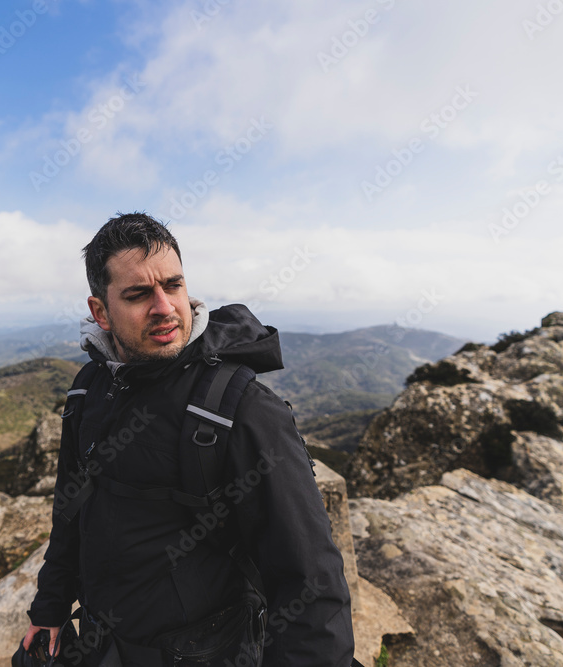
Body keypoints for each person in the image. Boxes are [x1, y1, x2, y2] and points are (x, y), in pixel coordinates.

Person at [20, 212, 355, 666]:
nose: (164, 307)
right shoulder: (89, 388)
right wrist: (50, 608)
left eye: (173, 285)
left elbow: (310, 583)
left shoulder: (240, 409)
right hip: (102, 645)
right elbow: (71, 510)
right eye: (138, 294)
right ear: (100, 312)